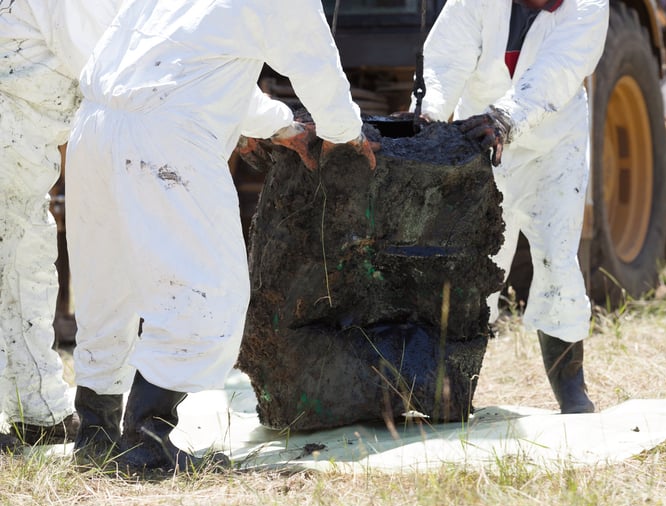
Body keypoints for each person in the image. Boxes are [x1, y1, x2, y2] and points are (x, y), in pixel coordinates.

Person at [66, 0, 375, 472]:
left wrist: (278, 124)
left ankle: (96, 431)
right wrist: (343, 132)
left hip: (96, 126)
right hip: (164, 135)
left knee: (107, 288)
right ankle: (146, 439)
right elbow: (313, 59)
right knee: (208, 288)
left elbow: (186, 62)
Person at [413, 0, 608, 413]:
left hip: (554, 144)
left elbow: (556, 74)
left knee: (557, 258)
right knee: (474, 265)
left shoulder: (589, 6)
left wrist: (505, 118)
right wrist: (428, 115)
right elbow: (447, 57)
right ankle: (454, 395)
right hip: (479, 138)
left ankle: (572, 391)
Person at [0, 0, 124, 452]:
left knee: (22, 264)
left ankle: (39, 413)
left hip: (23, 140)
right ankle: (39, 412)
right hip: (12, 122)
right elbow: (105, 65)